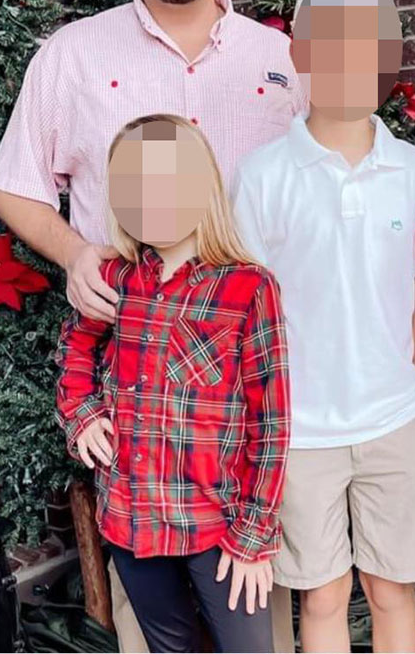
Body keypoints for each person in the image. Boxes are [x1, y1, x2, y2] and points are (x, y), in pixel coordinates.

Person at [0, 0, 305, 651]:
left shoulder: (284, 64)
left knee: (256, 614)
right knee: (159, 634)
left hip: (256, 397)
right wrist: (76, 253)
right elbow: (11, 183)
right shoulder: (73, 55)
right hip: (140, 427)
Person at [233, 0, 415, 653]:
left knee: (391, 588)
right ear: (300, 50)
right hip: (303, 430)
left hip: (395, 421)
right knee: (321, 594)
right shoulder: (263, 177)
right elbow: (246, 319)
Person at [56, 114, 290, 653]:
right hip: (131, 516)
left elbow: (271, 423)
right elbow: (75, 345)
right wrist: (83, 412)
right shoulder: (117, 279)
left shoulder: (247, 288)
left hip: (216, 525)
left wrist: (254, 532)